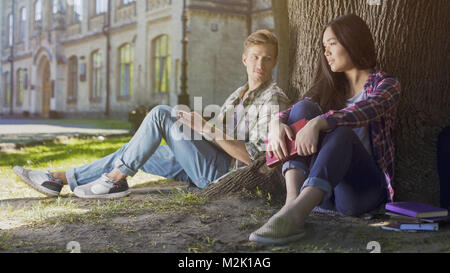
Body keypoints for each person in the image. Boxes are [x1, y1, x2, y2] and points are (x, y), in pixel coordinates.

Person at [13, 29, 290, 199]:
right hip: (205, 161)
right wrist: (193, 124)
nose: (260, 64)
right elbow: (214, 135)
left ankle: (115, 179)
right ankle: (58, 179)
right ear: (245, 59)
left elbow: (257, 160)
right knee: (135, 149)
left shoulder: (272, 98)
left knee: (160, 114)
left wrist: (206, 129)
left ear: (275, 61)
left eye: (267, 58)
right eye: (255, 56)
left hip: (223, 174)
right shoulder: (238, 94)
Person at [249, 14, 401, 244]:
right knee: (304, 107)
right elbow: (292, 113)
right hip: (323, 191)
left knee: (342, 133)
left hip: (361, 192)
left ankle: (296, 214)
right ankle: (292, 203)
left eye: (332, 44)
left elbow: (368, 110)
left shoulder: (386, 84)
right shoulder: (328, 86)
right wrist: (275, 123)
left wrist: (320, 122)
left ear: (352, 41)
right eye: (324, 46)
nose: (326, 52)